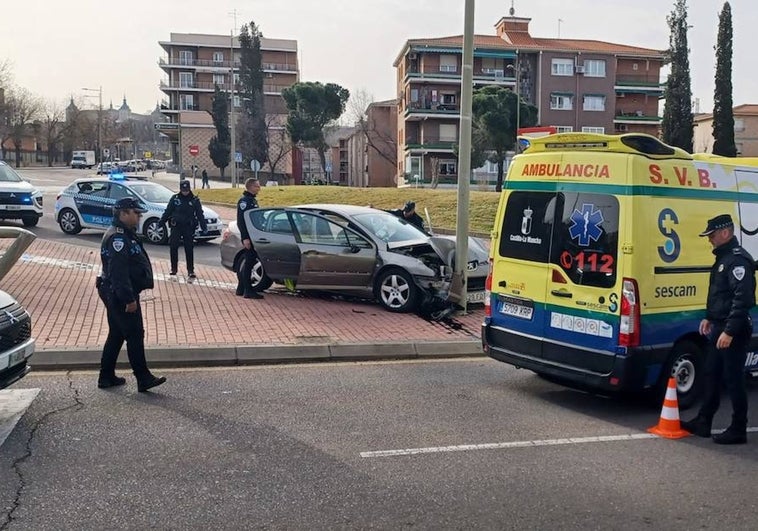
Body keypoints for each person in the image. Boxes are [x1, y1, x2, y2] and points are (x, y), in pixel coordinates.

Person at [682, 214, 755, 444]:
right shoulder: (724, 259)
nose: (709, 240)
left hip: (733, 330)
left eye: (712, 235)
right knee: (711, 373)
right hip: (720, 326)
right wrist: (709, 318)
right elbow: (719, 295)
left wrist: (730, 331)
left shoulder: (737, 261)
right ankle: (704, 421)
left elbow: (742, 300)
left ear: (725, 233)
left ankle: (738, 428)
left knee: (733, 380)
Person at [96, 197, 166, 392]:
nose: (139, 216)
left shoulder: (125, 234)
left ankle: (106, 376)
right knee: (135, 334)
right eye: (136, 213)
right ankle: (143, 378)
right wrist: (128, 299)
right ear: (123, 213)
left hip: (115, 291)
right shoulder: (118, 238)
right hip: (119, 294)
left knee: (117, 334)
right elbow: (118, 272)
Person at [160, 180, 207, 279]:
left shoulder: (194, 200)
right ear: (180, 189)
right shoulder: (175, 199)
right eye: (183, 190)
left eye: (186, 190)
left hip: (188, 227)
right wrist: (161, 222)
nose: (185, 192)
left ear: (189, 189)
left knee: (189, 249)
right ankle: (174, 269)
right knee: (173, 247)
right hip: (176, 226)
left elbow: (200, 214)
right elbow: (168, 211)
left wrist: (204, 226)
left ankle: (190, 270)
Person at [236, 177, 263, 299]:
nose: (259, 188)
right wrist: (245, 238)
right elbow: (241, 221)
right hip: (249, 237)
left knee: (250, 261)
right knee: (249, 262)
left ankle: (241, 288)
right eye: (257, 186)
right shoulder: (245, 201)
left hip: (253, 235)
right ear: (251, 187)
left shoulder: (252, 200)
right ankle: (247, 289)